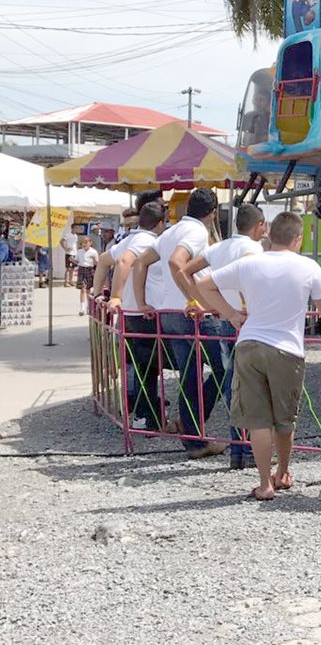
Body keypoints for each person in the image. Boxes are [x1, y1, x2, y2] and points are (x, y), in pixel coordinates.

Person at [198, 212, 321, 501]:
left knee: (258, 420)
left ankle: (264, 484)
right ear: (298, 239)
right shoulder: (308, 267)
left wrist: (232, 314)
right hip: (288, 348)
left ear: (269, 235)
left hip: (249, 344)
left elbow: (204, 284)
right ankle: (283, 473)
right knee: (285, 419)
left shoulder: (249, 263)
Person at [133, 188, 223, 459]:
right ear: (213, 212)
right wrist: (196, 300)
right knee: (224, 368)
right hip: (191, 314)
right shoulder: (197, 232)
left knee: (189, 375)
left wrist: (142, 302)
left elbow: (141, 262)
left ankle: (193, 435)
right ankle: (195, 427)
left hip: (168, 312)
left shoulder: (171, 231)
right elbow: (176, 262)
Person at [183, 203, 268, 470]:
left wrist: (209, 304)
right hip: (248, 319)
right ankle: (251, 450)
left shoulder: (218, 247)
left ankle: (239, 449)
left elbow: (187, 271)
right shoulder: (253, 249)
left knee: (233, 383)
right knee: (254, 386)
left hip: (226, 321)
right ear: (259, 225)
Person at [102, 201, 168, 431]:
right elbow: (123, 262)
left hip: (134, 312)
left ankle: (146, 415)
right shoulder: (146, 241)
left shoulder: (130, 239)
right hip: (142, 313)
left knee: (143, 367)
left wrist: (99, 292)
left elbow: (103, 261)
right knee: (147, 367)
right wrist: (116, 296)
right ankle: (146, 415)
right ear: (160, 223)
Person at [75, 236, 99, 315]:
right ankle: (82, 308)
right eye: (83, 243)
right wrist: (73, 261)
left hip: (90, 269)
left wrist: (94, 259)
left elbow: (97, 263)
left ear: (90, 243)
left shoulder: (93, 252)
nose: (84, 244)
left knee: (88, 290)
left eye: (86, 242)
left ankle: (89, 307)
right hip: (81, 269)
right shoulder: (79, 251)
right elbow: (77, 261)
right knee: (82, 289)